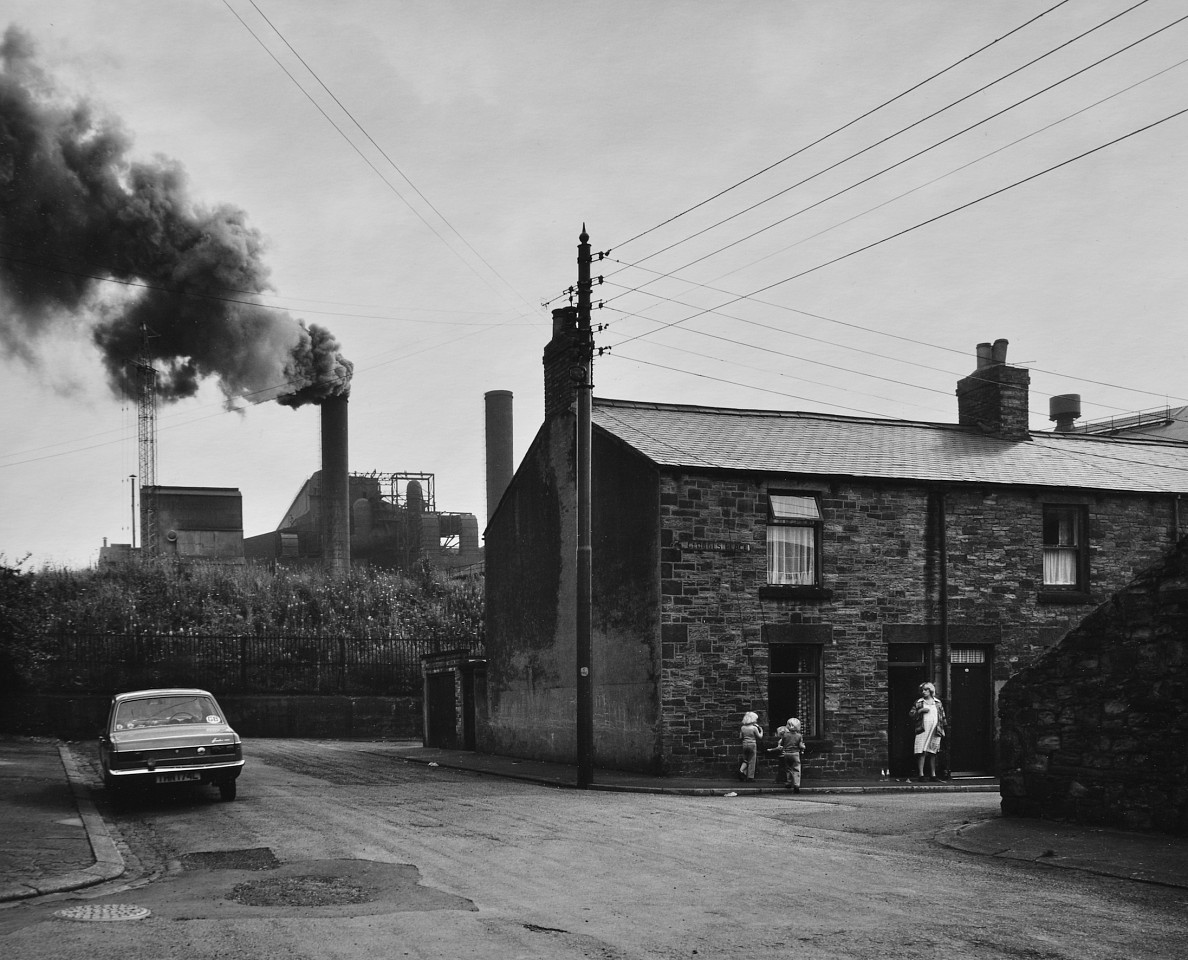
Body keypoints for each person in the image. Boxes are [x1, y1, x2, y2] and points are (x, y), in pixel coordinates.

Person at [909, 682, 947, 781]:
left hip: (935, 730)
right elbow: (911, 714)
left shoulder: (937, 702)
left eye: (926, 690)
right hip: (922, 730)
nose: (923, 692)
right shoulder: (919, 702)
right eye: (922, 690)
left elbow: (942, 717)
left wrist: (942, 729)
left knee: (933, 752)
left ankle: (933, 775)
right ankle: (921, 775)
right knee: (921, 751)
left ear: (931, 691)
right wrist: (920, 711)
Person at [775, 717, 805, 793]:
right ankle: (796, 784)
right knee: (796, 769)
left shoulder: (785, 735)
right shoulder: (799, 736)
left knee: (788, 768)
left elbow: (781, 743)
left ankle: (788, 782)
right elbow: (800, 745)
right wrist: (803, 747)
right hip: (795, 754)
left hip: (787, 753)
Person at [738, 711, 763, 781]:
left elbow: (740, 737)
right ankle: (750, 777)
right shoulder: (754, 728)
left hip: (744, 744)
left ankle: (741, 771)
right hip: (752, 744)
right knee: (752, 760)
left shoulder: (743, 727)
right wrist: (761, 730)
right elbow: (760, 736)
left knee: (745, 759)